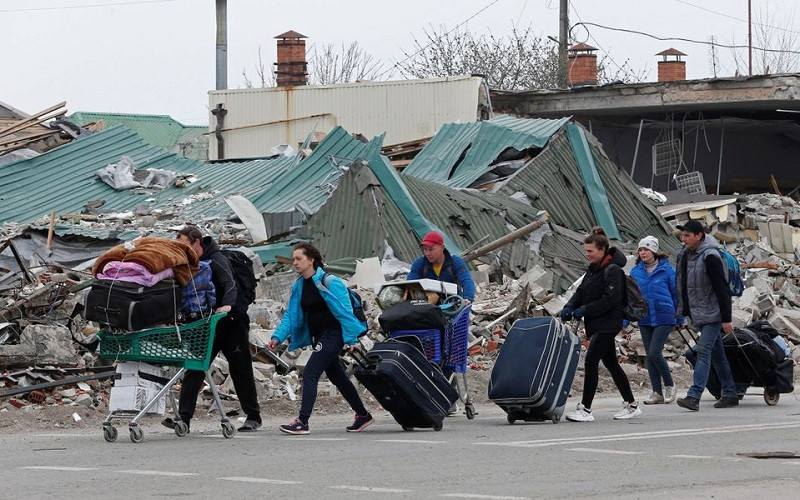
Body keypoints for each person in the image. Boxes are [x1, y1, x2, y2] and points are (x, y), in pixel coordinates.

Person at [269, 242, 374, 435]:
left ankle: (302, 421)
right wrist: (278, 336)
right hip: (319, 337)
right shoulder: (299, 286)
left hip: (333, 335)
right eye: (293, 259)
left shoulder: (330, 282)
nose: (294, 263)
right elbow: (291, 316)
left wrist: (351, 340)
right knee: (338, 377)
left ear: (311, 260)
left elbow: (346, 313)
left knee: (310, 373)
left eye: (298, 259)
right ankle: (363, 415)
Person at [167, 225, 262, 432]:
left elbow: (230, 284)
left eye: (185, 246)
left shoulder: (218, 260)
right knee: (194, 367)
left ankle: (253, 416)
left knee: (240, 367)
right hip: (206, 325)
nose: (183, 251)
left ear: (197, 243)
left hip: (231, 322)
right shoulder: (191, 263)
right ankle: (184, 418)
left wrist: (227, 306)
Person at [559, 227, 642, 422]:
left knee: (590, 361)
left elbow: (610, 300)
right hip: (596, 323)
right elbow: (580, 292)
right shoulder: (593, 269)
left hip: (608, 323)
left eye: (591, 251)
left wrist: (584, 310)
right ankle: (631, 405)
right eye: (586, 251)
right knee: (611, 363)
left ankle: (586, 409)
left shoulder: (612, 270)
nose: (587, 254)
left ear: (603, 249)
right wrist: (569, 307)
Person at [674, 220, 739, 411]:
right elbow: (683, 285)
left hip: (713, 313)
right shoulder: (686, 255)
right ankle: (730, 392)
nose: (683, 240)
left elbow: (722, 289)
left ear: (699, 236)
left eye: (687, 236)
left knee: (703, 351)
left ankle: (694, 395)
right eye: (682, 236)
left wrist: (726, 318)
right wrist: (682, 313)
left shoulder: (710, 256)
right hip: (699, 313)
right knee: (717, 354)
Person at [630, 236, 680, 405]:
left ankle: (670, 385)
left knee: (654, 352)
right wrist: (625, 321)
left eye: (646, 249)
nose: (643, 252)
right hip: (644, 317)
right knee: (649, 356)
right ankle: (656, 392)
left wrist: (680, 317)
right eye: (640, 250)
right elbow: (631, 297)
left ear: (654, 251)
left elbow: (676, 294)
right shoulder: (636, 272)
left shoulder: (667, 270)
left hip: (664, 315)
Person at [407, 231, 475, 303]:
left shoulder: (455, 262)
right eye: (425, 250)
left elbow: (467, 281)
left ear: (442, 247)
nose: (427, 253)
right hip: (429, 306)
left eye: (431, 249)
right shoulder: (420, 264)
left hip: (453, 304)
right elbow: (410, 284)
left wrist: (467, 299)